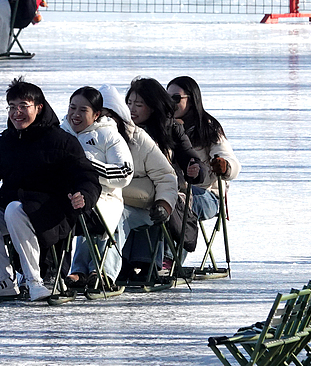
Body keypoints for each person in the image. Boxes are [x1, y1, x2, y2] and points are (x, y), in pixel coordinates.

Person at [0, 78, 101, 302]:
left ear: (39, 108)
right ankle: (3, 281)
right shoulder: (2, 143)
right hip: (14, 208)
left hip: (52, 212)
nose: (17, 112)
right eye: (12, 107)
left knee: (15, 209)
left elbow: (86, 176)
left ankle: (35, 281)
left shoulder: (61, 141)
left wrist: (84, 196)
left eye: (23, 106)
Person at [122, 77, 207, 274]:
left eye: (139, 104)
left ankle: (147, 263)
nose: (132, 109)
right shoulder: (121, 129)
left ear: (152, 107)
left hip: (168, 192)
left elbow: (191, 158)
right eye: (129, 103)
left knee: (155, 206)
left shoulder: (171, 128)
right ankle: (121, 262)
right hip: (130, 190)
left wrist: (196, 169)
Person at [98, 84, 178, 282]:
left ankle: (106, 273)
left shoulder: (139, 139)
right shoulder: (91, 138)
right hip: (99, 202)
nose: (106, 122)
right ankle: (81, 270)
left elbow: (166, 177)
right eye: (101, 117)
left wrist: (164, 204)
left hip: (139, 207)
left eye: (110, 116)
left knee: (115, 217)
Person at [59, 87, 134, 287]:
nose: (75, 115)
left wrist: (88, 167)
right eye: (72, 108)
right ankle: (61, 272)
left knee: (96, 218)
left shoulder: (108, 136)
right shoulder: (60, 132)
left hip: (103, 197)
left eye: (83, 110)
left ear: (96, 114)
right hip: (63, 195)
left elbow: (125, 172)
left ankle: (100, 271)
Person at [166, 76, 240, 221]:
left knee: (170, 200)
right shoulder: (164, 127)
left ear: (192, 100)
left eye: (176, 98)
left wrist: (225, 166)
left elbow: (229, 158)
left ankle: (179, 243)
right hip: (174, 188)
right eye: (167, 99)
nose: (170, 104)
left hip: (207, 196)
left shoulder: (208, 127)